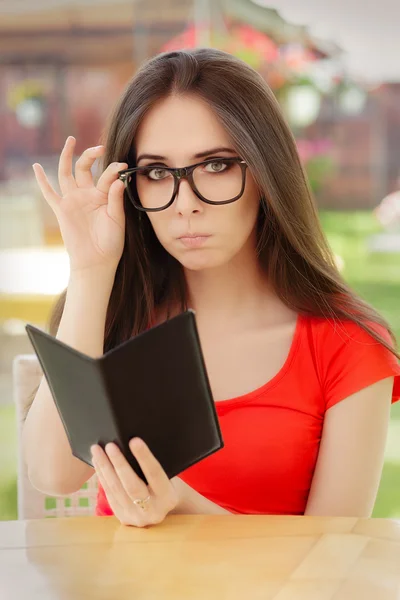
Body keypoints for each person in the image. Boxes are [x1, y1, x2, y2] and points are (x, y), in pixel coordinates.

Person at [24, 49, 400, 527]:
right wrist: (91, 271)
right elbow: (52, 475)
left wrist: (179, 504)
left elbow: (335, 555)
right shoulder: (120, 313)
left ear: (265, 173)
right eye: (158, 173)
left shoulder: (347, 343)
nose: (185, 204)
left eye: (216, 165)